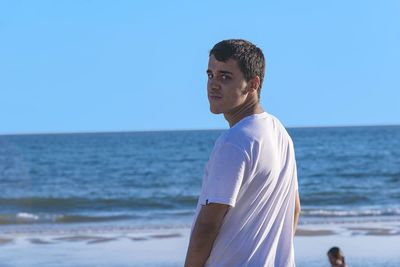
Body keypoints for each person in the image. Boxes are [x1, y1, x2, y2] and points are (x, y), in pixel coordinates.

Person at [184, 39, 301, 267]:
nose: (213, 84)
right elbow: (294, 208)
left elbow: (208, 225)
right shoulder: (279, 132)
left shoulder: (235, 141)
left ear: (253, 84)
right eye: (210, 75)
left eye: (225, 77)